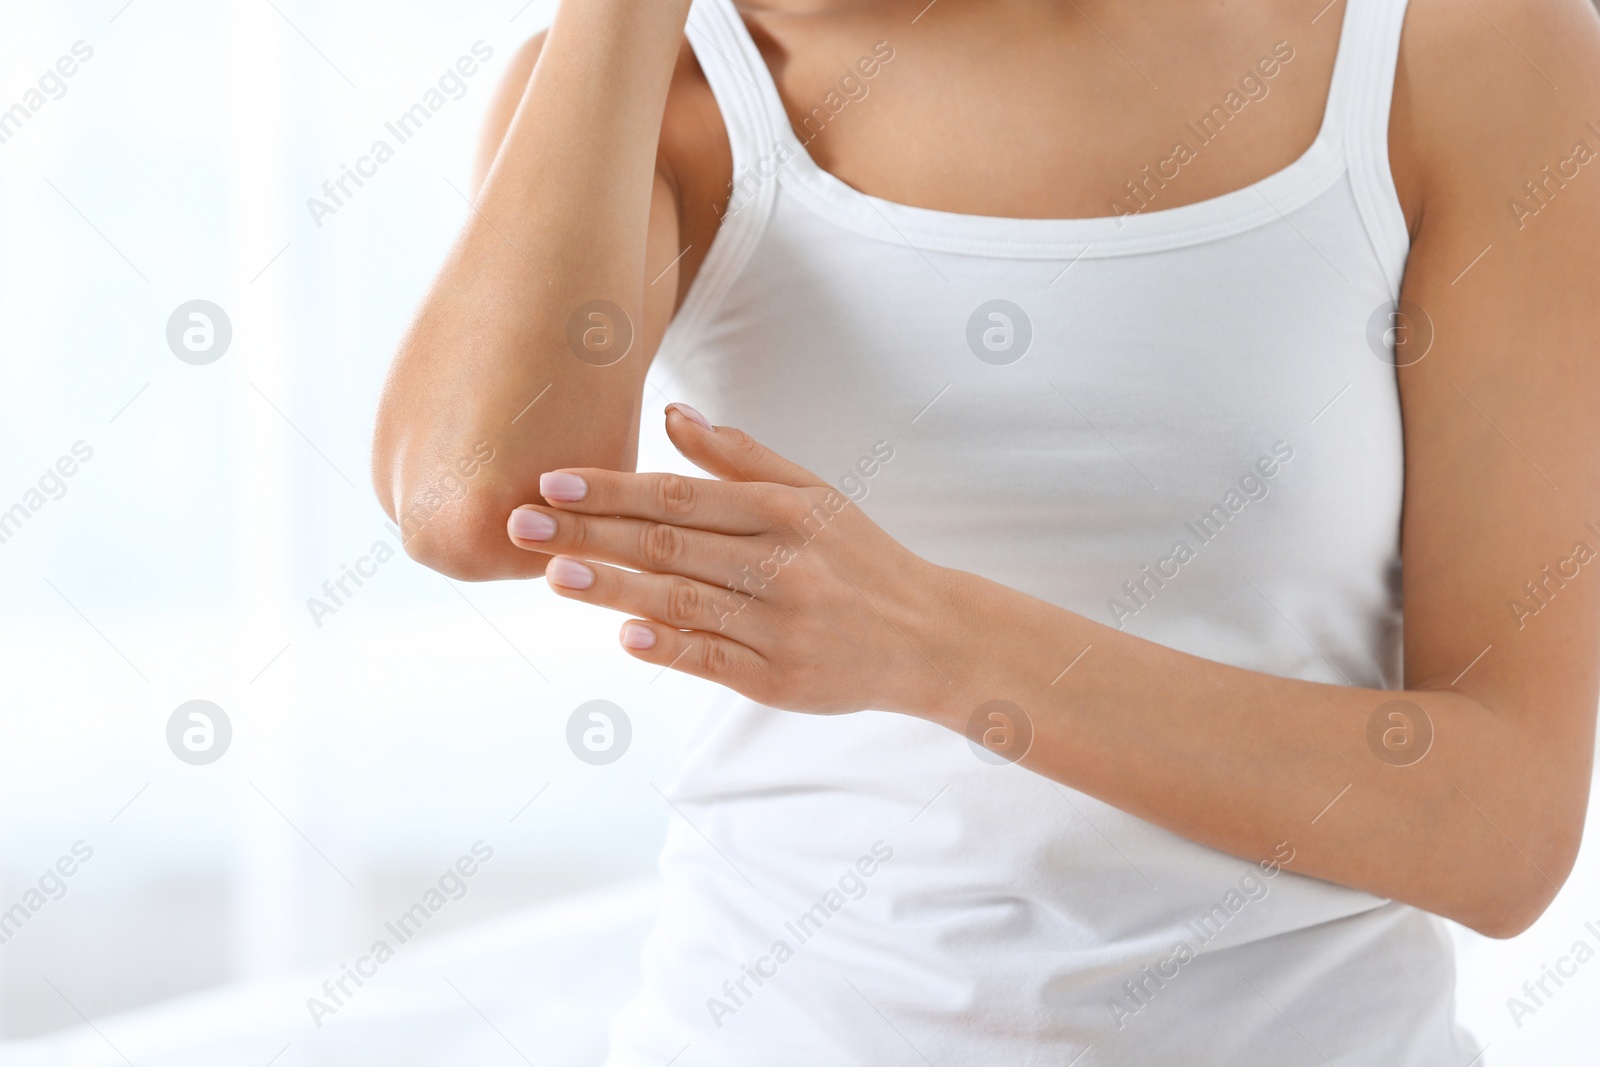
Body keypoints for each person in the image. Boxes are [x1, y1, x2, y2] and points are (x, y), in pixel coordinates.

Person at [371, 0, 1600, 1061]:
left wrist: (941, 646)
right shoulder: (682, 84)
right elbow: (475, 501)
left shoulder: (1461, 52)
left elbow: (1502, 822)